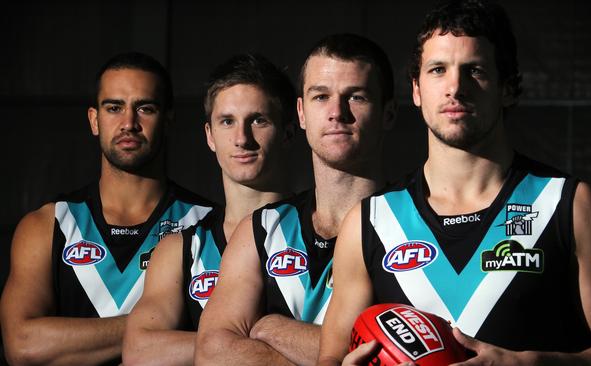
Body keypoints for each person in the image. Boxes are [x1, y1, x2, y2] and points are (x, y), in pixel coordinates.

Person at [317, 1, 591, 365]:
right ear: (416, 90)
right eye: (438, 70)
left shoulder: (567, 205)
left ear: (507, 88)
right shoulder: (371, 221)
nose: (455, 87)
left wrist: (531, 364)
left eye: (474, 70)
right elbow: (331, 358)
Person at [194, 33, 396, 365]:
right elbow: (212, 352)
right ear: (300, 113)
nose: (336, 112)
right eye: (320, 97)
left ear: (388, 113)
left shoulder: (414, 220)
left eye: (356, 97)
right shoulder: (260, 228)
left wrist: (270, 329)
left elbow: (403, 353)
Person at [0, 52, 213, 365]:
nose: (129, 123)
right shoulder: (49, 224)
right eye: (114, 107)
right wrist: (154, 331)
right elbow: (22, 345)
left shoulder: (207, 223)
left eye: (145, 108)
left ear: (168, 119)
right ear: (94, 120)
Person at [122, 53, 296, 366]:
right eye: (227, 122)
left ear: (287, 132)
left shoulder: (326, 231)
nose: (242, 139)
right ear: (209, 136)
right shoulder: (180, 249)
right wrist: (240, 340)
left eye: (258, 120)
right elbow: (140, 350)